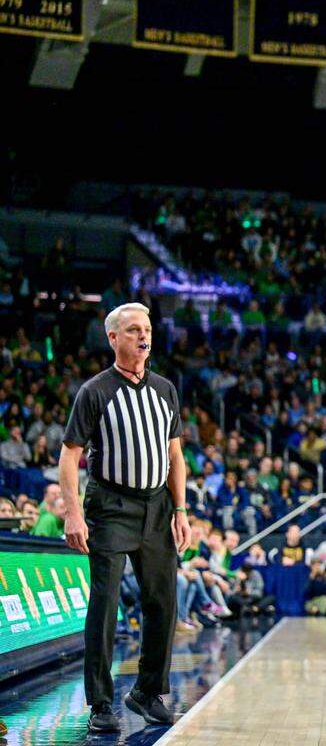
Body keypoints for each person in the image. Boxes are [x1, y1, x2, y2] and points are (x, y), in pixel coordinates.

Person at [58, 303, 192, 732]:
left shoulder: (166, 389)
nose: (143, 336)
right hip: (110, 505)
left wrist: (182, 509)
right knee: (105, 604)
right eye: (133, 330)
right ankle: (100, 704)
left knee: (163, 601)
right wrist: (74, 513)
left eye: (147, 329)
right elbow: (69, 456)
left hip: (157, 507)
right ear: (113, 337)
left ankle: (147, 691)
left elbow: (175, 455)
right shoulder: (95, 391)